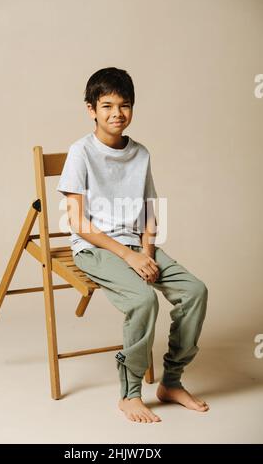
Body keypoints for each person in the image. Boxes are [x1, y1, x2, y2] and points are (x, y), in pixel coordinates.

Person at [57, 67, 209, 423]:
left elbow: (150, 215)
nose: (116, 113)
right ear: (90, 109)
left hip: (135, 247)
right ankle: (129, 394)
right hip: (95, 248)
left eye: (124, 105)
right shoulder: (80, 152)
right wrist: (127, 255)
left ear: (132, 108)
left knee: (196, 291)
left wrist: (147, 254)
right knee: (142, 300)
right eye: (107, 105)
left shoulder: (140, 153)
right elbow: (78, 222)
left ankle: (171, 382)